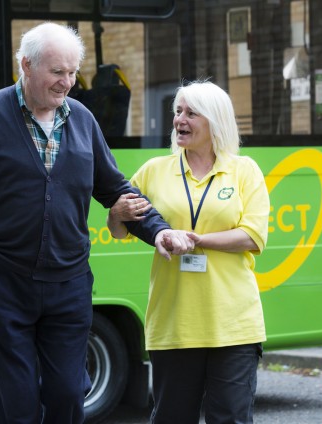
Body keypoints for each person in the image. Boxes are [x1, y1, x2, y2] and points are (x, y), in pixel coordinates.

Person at [0, 22, 194, 424]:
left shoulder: (83, 120)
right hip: (0, 285)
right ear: (26, 65)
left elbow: (116, 190)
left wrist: (159, 230)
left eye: (72, 72)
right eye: (57, 72)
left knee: (69, 395)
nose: (67, 82)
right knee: (15, 406)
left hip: (68, 284)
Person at [108, 80, 270, 424]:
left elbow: (253, 236)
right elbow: (122, 229)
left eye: (191, 113)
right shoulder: (154, 171)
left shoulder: (244, 171)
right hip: (174, 324)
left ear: (215, 121)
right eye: (177, 111)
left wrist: (193, 240)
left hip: (234, 325)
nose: (180, 119)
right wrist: (115, 215)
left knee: (231, 418)